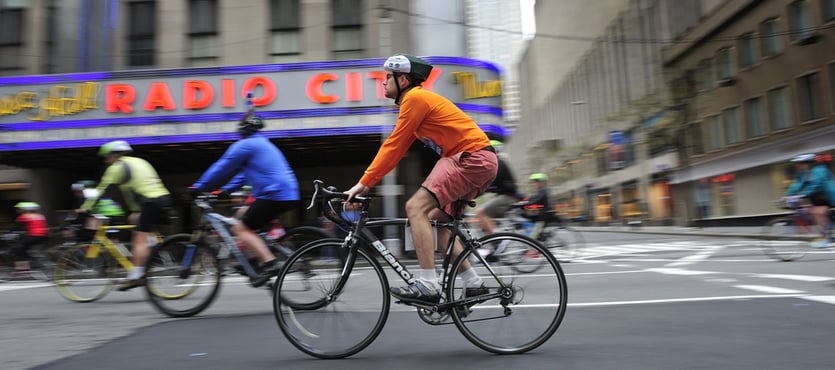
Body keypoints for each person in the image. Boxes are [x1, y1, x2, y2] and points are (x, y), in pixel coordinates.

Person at [345, 54, 498, 304]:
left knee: (415, 207)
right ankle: (474, 284)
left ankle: (428, 284)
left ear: (402, 79)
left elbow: (393, 146)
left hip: (470, 159)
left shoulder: (415, 98)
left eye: (387, 77)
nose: (383, 83)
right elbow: (399, 147)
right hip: (477, 161)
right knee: (435, 226)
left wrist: (364, 183)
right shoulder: (416, 102)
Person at [189, 113, 300, 288]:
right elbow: (242, 175)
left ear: (242, 130)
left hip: (273, 194)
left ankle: (269, 263)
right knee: (249, 227)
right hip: (286, 193)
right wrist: (225, 191)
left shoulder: (245, 145)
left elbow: (222, 166)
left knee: (240, 228)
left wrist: (199, 187)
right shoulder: (262, 143)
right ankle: (254, 261)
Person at [79, 140, 173, 291]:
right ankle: (150, 248)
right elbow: (135, 189)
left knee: (138, 238)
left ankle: (137, 275)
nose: (106, 161)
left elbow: (102, 189)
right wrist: (136, 210)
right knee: (134, 220)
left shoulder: (116, 167)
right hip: (162, 199)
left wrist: (85, 207)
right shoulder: (140, 162)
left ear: (113, 155)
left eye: (106, 158)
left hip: (150, 201)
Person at [473, 140, 519, 257]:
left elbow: (489, 183)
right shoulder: (498, 163)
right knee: (483, 223)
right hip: (505, 196)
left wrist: (474, 194)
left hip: (508, 197)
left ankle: (498, 241)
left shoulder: (499, 163)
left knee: (481, 213)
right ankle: (494, 248)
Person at [783, 153, 835, 248]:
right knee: (811, 211)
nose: (798, 165)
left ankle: (825, 238)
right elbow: (796, 185)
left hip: (826, 195)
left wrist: (803, 194)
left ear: (808, 163)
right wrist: (787, 195)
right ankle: (825, 234)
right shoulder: (802, 174)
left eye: (800, 163)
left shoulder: (819, 171)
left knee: (819, 213)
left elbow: (816, 184)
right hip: (816, 197)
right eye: (798, 163)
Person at [13, 202, 48, 273]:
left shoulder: (24, 216)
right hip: (43, 236)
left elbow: (16, 226)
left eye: (20, 209)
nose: (18, 210)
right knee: (24, 248)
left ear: (25, 209)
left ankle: (31, 261)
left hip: (33, 236)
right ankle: (30, 264)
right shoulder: (41, 216)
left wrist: (10, 232)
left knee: (17, 249)